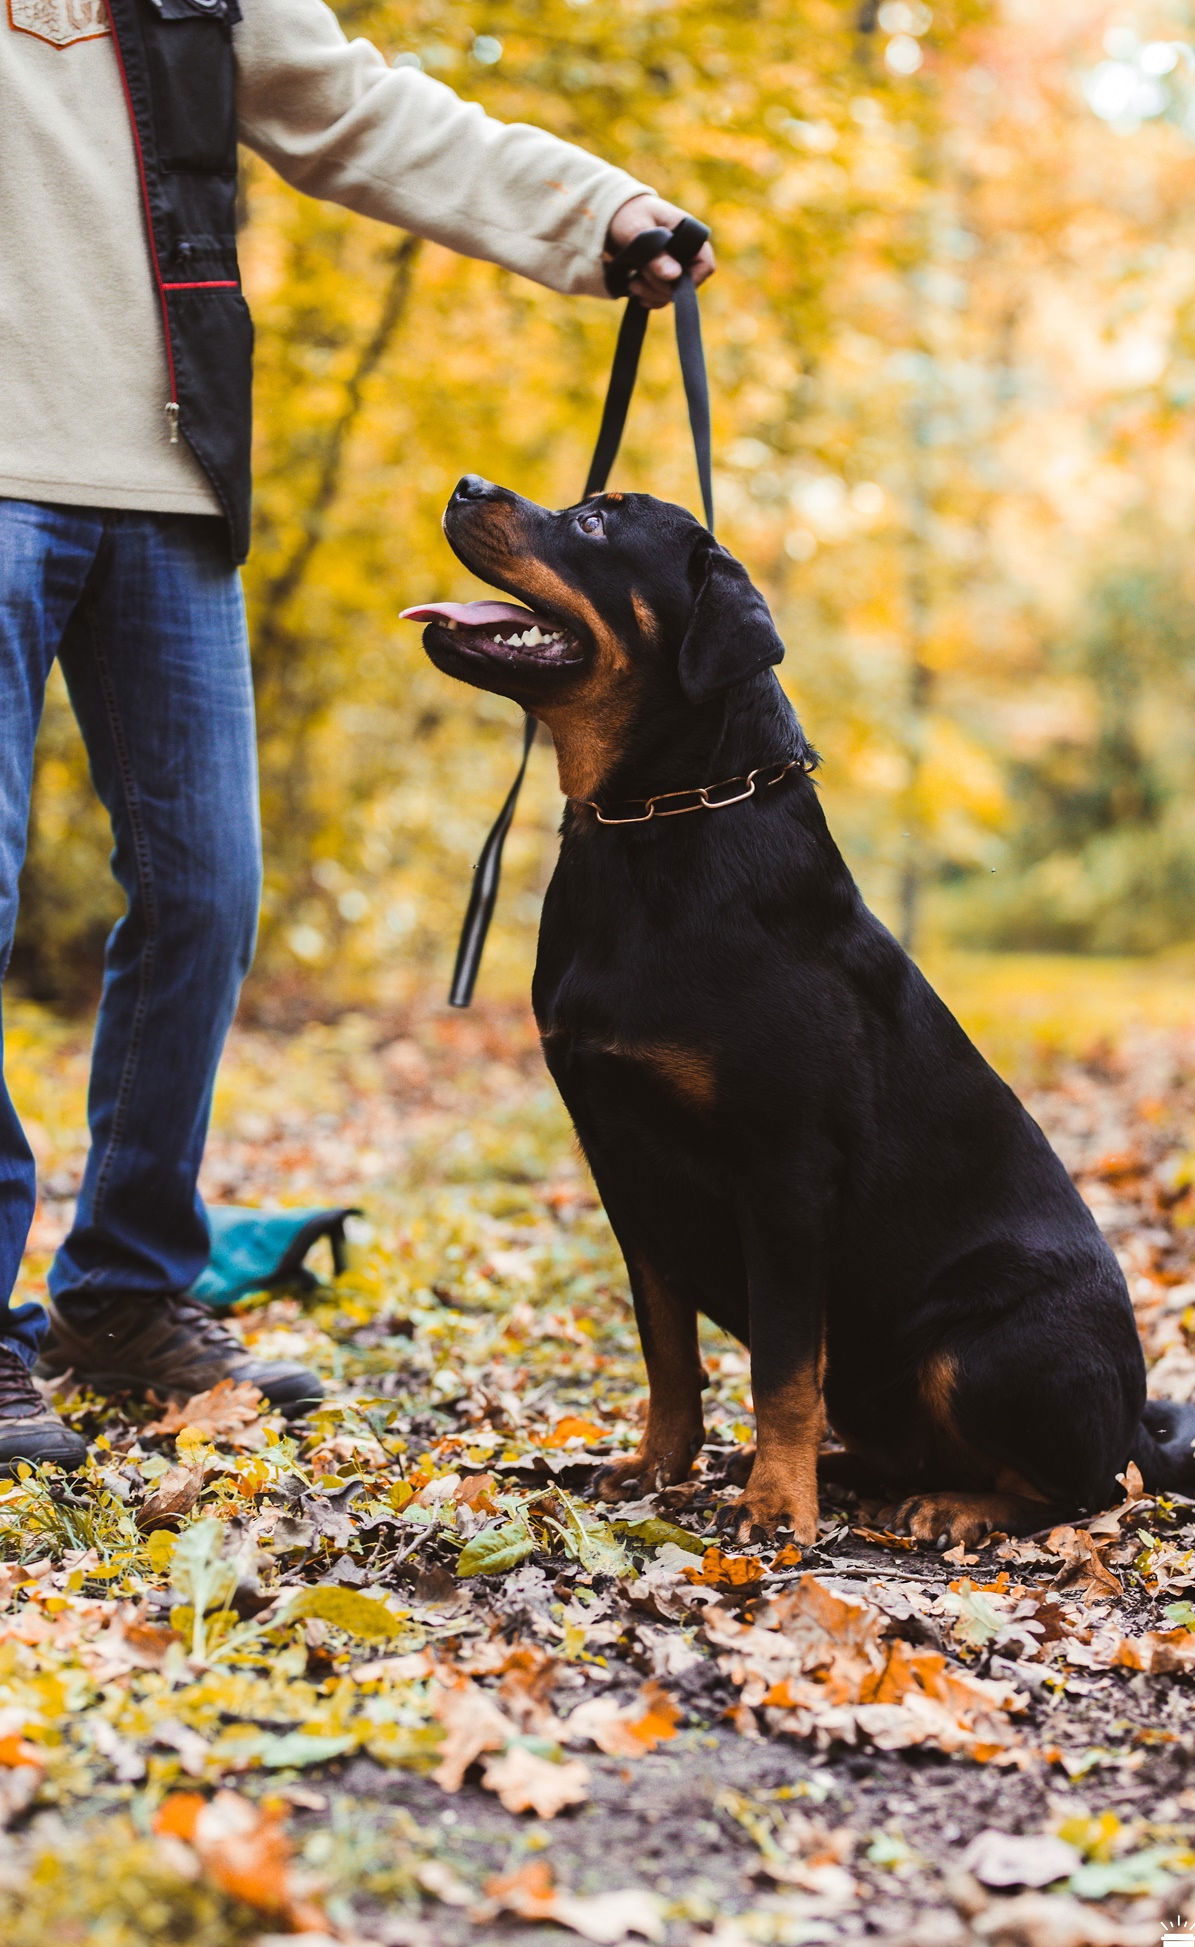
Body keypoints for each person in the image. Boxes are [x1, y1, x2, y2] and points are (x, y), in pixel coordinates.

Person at [0, 0, 715, 1472]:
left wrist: (600, 212)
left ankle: (127, 1292)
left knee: (206, 892)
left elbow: (361, 113)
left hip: (166, 479)